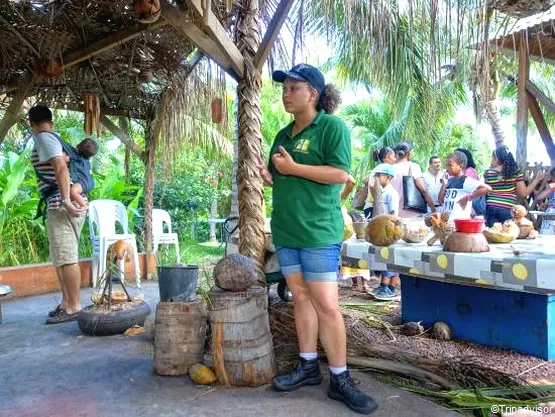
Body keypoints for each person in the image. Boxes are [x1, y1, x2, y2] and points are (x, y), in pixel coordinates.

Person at [257, 63, 377, 414]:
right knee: (300, 300)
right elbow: (283, 179)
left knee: (326, 305)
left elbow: (341, 174)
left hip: (319, 232)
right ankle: (308, 366)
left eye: (294, 87)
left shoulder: (332, 127)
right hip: (286, 229)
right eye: (284, 88)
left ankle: (340, 378)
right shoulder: (282, 135)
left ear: (313, 93)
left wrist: (293, 169)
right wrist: (271, 176)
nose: (286, 93)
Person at [29, 105, 87, 324]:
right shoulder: (53, 138)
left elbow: (60, 168)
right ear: (51, 121)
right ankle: (66, 302)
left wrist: (66, 200)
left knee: (67, 257)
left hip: (61, 203)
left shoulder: (43, 137)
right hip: (60, 202)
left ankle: (73, 307)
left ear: (32, 123)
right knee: (61, 257)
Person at [484, 147, 545, 227]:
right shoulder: (515, 173)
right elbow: (523, 194)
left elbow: (486, 190)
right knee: (507, 233)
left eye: (492, 158)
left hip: (491, 207)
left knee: (493, 233)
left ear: (497, 159)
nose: (491, 160)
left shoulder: (488, 173)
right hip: (507, 208)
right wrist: (537, 179)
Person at [368, 164, 401, 300]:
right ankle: (384, 285)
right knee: (383, 259)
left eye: (379, 175)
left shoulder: (391, 193)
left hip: (388, 230)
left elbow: (393, 215)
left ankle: (389, 287)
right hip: (381, 230)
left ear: (388, 177)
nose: (376, 178)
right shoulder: (380, 192)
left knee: (390, 260)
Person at [438, 151, 490, 218]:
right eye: (446, 165)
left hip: (460, 221)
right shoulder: (449, 181)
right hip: (448, 222)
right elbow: (440, 200)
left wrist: (469, 197)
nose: (447, 168)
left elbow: (487, 188)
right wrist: (444, 184)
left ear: (460, 166)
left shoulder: (466, 180)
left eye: (450, 165)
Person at [391, 142, 436, 217]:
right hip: (412, 212)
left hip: (394, 212)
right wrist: (433, 209)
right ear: (409, 153)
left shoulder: (390, 168)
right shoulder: (413, 167)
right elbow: (423, 190)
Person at [363, 147, 396, 219]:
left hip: (368, 206)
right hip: (375, 207)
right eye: (394, 156)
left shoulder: (376, 168)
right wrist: (377, 200)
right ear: (387, 157)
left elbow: (365, 180)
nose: (395, 159)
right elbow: (372, 185)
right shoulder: (385, 170)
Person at [66, 138, 98, 209]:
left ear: (78, 145)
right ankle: (84, 202)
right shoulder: (86, 161)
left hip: (83, 182)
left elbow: (63, 159)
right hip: (89, 182)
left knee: (73, 192)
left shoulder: (76, 158)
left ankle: (84, 205)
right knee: (76, 192)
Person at [534, 167, 555, 235]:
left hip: (551, 215)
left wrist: (547, 186)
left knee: (547, 237)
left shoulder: (553, 186)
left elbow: (539, 197)